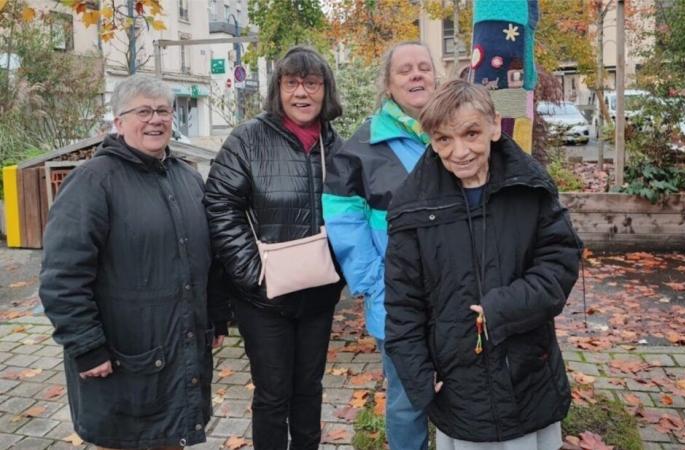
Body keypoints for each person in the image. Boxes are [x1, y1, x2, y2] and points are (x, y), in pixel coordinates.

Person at [384, 79, 582, 450]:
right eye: (444, 139)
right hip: (459, 382)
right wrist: (416, 372)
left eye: (470, 133)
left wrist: (500, 309)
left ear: (493, 126)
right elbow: (402, 304)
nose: (460, 151)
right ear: (431, 140)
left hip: (525, 372)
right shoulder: (412, 206)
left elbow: (560, 263)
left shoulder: (530, 187)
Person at [39, 74, 228, 450]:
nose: (155, 120)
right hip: (122, 361)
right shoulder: (93, 182)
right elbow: (62, 277)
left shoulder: (188, 179)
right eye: (143, 111)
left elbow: (210, 259)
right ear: (118, 121)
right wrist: (87, 347)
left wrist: (216, 317)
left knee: (171, 437)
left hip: (177, 353)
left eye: (162, 111)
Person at [204, 46, 345, 450]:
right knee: (272, 394)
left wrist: (343, 269)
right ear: (277, 89)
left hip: (318, 293)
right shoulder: (248, 139)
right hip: (263, 299)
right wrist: (252, 272)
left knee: (309, 390)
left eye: (312, 83)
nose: (302, 93)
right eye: (292, 83)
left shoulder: (336, 145)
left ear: (325, 90)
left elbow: (353, 213)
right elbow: (219, 204)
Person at [322, 41, 435, 449]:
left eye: (424, 67)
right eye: (405, 70)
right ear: (388, 83)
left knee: (462, 393)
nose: (416, 75)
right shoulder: (364, 144)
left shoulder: (453, 131)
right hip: (396, 300)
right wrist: (372, 281)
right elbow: (341, 217)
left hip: (456, 298)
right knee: (407, 400)